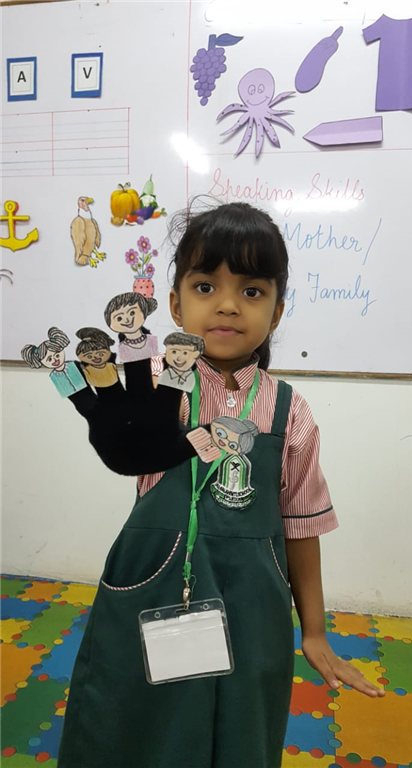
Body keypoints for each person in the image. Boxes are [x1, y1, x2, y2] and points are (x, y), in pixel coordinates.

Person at [58, 202, 384, 768]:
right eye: (206, 286)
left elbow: (301, 527)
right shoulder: (155, 387)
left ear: (277, 312)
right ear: (176, 304)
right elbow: (118, 432)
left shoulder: (291, 412)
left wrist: (314, 632)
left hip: (255, 607)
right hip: (155, 593)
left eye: (252, 291)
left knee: (243, 736)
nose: (228, 304)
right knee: (133, 729)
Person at [21, 327, 86, 397]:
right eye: (49, 359)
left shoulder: (74, 365)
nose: (55, 359)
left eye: (57, 355)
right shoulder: (53, 376)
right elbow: (64, 393)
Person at [104, 292, 158, 363]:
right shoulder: (122, 348)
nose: (127, 320)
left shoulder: (152, 340)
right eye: (119, 318)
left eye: (132, 313)